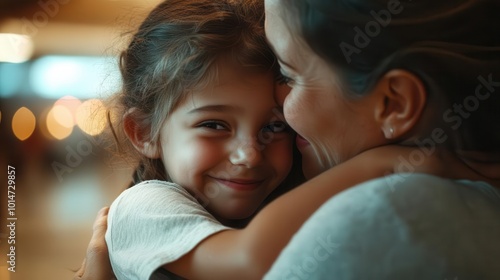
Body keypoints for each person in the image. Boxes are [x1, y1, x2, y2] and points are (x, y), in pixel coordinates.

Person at [78, 0, 500, 279]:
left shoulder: (298, 197)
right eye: (214, 125)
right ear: (145, 132)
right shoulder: (144, 207)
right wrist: (383, 163)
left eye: (274, 126)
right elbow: (249, 258)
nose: (248, 154)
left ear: (395, 104)